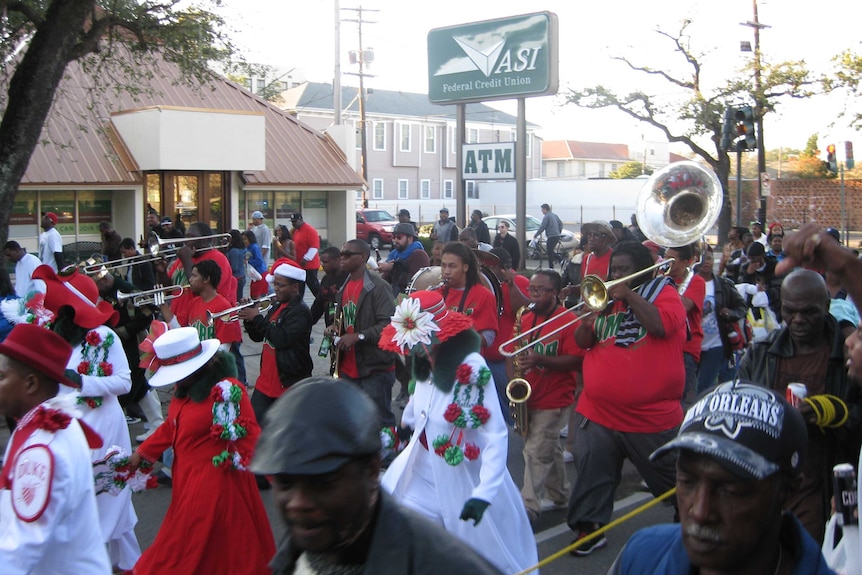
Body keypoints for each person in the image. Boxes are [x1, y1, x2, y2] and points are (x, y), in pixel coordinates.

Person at [249, 377, 504, 575]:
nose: (297, 503)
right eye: (285, 483)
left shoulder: (445, 566)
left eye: (323, 483)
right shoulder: (309, 537)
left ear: (371, 471)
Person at [379, 290, 538, 574]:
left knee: (480, 557)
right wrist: (398, 436)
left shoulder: (471, 369)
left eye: (425, 345)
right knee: (402, 531)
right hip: (421, 473)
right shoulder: (424, 365)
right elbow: (417, 413)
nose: (418, 352)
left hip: (466, 478)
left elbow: (495, 435)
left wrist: (483, 495)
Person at [609, 381, 834, 575]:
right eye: (688, 481)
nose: (700, 511)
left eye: (731, 490)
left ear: (787, 492)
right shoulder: (642, 555)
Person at [567, 241, 686, 555]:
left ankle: (692, 516)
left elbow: (661, 326)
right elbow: (584, 343)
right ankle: (589, 527)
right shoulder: (604, 300)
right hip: (597, 411)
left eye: (624, 270)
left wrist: (629, 295)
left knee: (674, 479)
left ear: (640, 270)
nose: (616, 275)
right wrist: (586, 322)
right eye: (614, 270)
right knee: (591, 471)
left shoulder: (664, 292)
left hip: (650, 417)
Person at [129, 327, 275, 574]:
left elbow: (251, 437)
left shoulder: (226, 391)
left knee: (192, 550)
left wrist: (282, 481)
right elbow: (171, 426)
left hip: (216, 486)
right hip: (186, 481)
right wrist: (142, 453)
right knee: (201, 548)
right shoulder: (183, 388)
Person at [738, 269, 861, 543]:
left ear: (827, 306)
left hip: (823, 487)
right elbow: (738, 412)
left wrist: (833, 413)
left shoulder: (849, 357)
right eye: (789, 311)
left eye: (809, 312)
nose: (798, 320)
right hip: (767, 486)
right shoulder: (759, 354)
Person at [31, 265, 140, 570]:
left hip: (104, 429)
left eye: (64, 307)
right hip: (68, 428)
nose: (58, 313)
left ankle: (101, 562)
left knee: (106, 497)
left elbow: (124, 382)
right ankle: (129, 563)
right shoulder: (58, 333)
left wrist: (82, 382)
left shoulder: (103, 336)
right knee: (101, 501)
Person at [0, 324, 112, 573]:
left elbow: (22, 546)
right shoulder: (43, 425)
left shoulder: (42, 448)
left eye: (1, 377)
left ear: (30, 384)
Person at [508, 270, 582, 523]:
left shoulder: (568, 320)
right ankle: (561, 494)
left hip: (555, 397)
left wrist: (542, 360)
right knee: (549, 448)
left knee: (535, 451)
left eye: (541, 290)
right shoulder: (525, 318)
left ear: (556, 293)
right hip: (529, 395)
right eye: (532, 290)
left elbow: (576, 361)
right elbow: (513, 352)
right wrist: (514, 382)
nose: (534, 295)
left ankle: (528, 506)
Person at [239, 260, 312, 445]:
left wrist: (257, 318)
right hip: (266, 382)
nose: (276, 289)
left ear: (295, 287)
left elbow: (281, 338)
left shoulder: (300, 312)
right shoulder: (276, 306)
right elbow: (259, 337)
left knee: (284, 436)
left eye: (280, 285)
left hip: (287, 382)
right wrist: (249, 318)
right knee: (254, 430)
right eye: (275, 284)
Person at [327, 239, 397, 426]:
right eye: (341, 254)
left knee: (380, 422)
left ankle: (388, 454)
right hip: (349, 367)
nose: (342, 258)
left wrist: (358, 336)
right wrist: (336, 328)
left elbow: (390, 324)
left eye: (348, 254)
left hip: (374, 368)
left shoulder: (378, 287)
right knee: (354, 422)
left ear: (363, 257)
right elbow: (346, 319)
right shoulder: (345, 286)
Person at [93, 268, 163, 444]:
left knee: (134, 380)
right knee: (139, 385)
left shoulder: (126, 290)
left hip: (132, 341)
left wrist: (121, 332)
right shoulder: (108, 291)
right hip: (120, 342)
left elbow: (147, 315)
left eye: (97, 285)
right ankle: (156, 424)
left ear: (103, 281)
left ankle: (155, 424)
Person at [160, 259, 246, 385]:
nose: (190, 279)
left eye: (194, 276)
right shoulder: (193, 303)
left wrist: (200, 364)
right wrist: (163, 306)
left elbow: (224, 346)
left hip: (212, 372)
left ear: (206, 279)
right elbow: (178, 330)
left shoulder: (223, 306)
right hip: (195, 367)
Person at [482, 247, 530, 424]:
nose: (483, 270)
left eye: (488, 266)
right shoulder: (483, 284)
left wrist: (511, 285)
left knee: (508, 412)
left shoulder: (519, 281)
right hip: (485, 357)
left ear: (501, 268)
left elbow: (525, 312)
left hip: (504, 361)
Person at [695, 249, 748, 392]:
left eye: (710, 258)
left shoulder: (724, 285)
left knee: (703, 384)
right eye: (703, 258)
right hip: (693, 344)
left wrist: (730, 313)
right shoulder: (687, 283)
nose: (706, 262)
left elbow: (742, 307)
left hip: (716, 344)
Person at [439, 242, 499, 356]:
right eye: (443, 265)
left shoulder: (484, 295)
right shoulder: (437, 293)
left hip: (468, 364)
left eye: (452, 266)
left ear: (465, 267)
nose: (446, 271)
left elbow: (489, 338)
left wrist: (459, 337)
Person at [664, 243, 706, 403]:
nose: (665, 262)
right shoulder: (661, 278)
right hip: (665, 343)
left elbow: (682, 307)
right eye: (665, 256)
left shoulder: (696, 281)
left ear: (686, 262)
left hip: (686, 348)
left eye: (671, 259)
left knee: (679, 399)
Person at [378, 222, 431, 296]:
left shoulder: (419, 255)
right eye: (394, 237)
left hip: (411, 299)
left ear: (410, 239)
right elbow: (386, 281)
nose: (395, 240)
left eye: (399, 237)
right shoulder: (394, 254)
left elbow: (414, 281)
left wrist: (393, 268)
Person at [309, 246, 348, 328]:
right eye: (321, 262)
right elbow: (318, 305)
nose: (322, 265)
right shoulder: (326, 279)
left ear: (337, 260)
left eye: (325, 262)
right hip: (330, 328)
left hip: (346, 328)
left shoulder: (348, 278)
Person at [290, 213, 321, 298]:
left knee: (314, 286)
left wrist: (306, 258)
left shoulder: (310, 230)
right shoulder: (296, 231)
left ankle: (323, 302)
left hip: (310, 266)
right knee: (299, 287)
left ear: (301, 220)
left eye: (295, 222)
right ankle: (299, 305)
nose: (293, 224)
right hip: (299, 265)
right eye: (292, 222)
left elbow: (314, 247)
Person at [534, 203, 564, 269]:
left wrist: (536, 235)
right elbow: (561, 224)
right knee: (550, 251)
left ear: (545, 209)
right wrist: (558, 232)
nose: (542, 211)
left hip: (551, 236)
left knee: (549, 251)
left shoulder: (547, 216)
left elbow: (543, 227)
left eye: (542, 210)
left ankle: (555, 264)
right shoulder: (554, 215)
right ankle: (556, 263)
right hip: (556, 235)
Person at [242, 230, 268, 299]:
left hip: (260, 273)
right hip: (254, 275)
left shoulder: (254, 247)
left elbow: (259, 261)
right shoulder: (247, 248)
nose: (244, 241)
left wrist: (248, 262)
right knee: (254, 293)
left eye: (245, 239)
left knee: (257, 295)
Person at [226, 229, 247, 304]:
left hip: (237, 278)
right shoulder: (241, 249)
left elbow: (235, 267)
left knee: (237, 300)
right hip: (241, 277)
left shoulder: (234, 251)